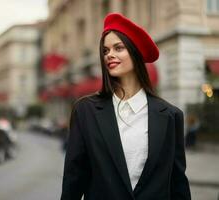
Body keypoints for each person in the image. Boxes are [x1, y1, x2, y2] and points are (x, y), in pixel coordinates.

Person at [60, 13, 191, 200]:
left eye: (118, 48)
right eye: (105, 51)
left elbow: (178, 183)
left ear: (135, 52)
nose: (109, 55)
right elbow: (74, 178)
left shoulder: (171, 115)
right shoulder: (85, 110)